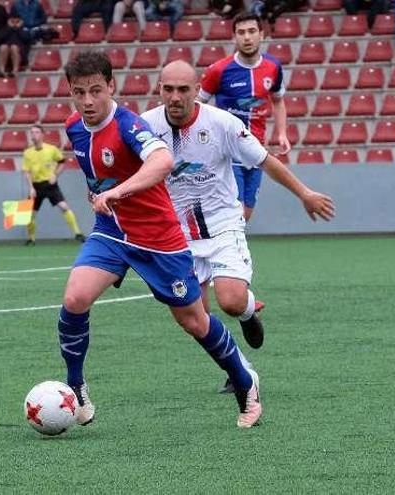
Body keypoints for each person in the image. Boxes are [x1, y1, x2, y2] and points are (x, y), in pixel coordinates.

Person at [60, 51, 262, 428]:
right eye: (79, 92)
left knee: (194, 322)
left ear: (112, 87)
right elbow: (99, 175)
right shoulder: (73, 127)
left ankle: (243, 378)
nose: (87, 101)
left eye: (95, 91)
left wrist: (117, 192)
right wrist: (100, 195)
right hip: (113, 233)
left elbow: (162, 162)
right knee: (75, 297)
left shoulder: (129, 125)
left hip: (159, 238)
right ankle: (75, 387)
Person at [143, 60, 335, 392]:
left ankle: (247, 313)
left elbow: (264, 160)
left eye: (183, 89)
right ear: (159, 88)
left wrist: (304, 193)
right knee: (197, 319)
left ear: (198, 90)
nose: (175, 97)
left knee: (230, 300)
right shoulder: (144, 126)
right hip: (178, 235)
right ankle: (240, 369)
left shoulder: (222, 123)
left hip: (222, 224)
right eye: (168, 88)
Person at [198, 13, 289, 223]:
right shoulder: (219, 70)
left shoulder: (273, 67)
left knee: (245, 214)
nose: (247, 38)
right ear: (234, 37)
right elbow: (196, 105)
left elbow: (278, 100)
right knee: (235, 211)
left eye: (252, 31)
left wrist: (282, 133)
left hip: (257, 151)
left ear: (262, 35)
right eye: (241, 33)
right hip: (229, 152)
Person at [22, 125, 85, 245]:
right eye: (32, 133)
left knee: (64, 207)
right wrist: (31, 188)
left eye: (36, 132)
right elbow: (27, 172)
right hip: (36, 186)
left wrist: (55, 175)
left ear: (42, 134)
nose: (33, 135)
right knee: (29, 214)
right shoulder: (27, 153)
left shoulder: (51, 149)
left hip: (50, 185)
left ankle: (78, 233)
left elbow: (61, 162)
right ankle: (31, 239)